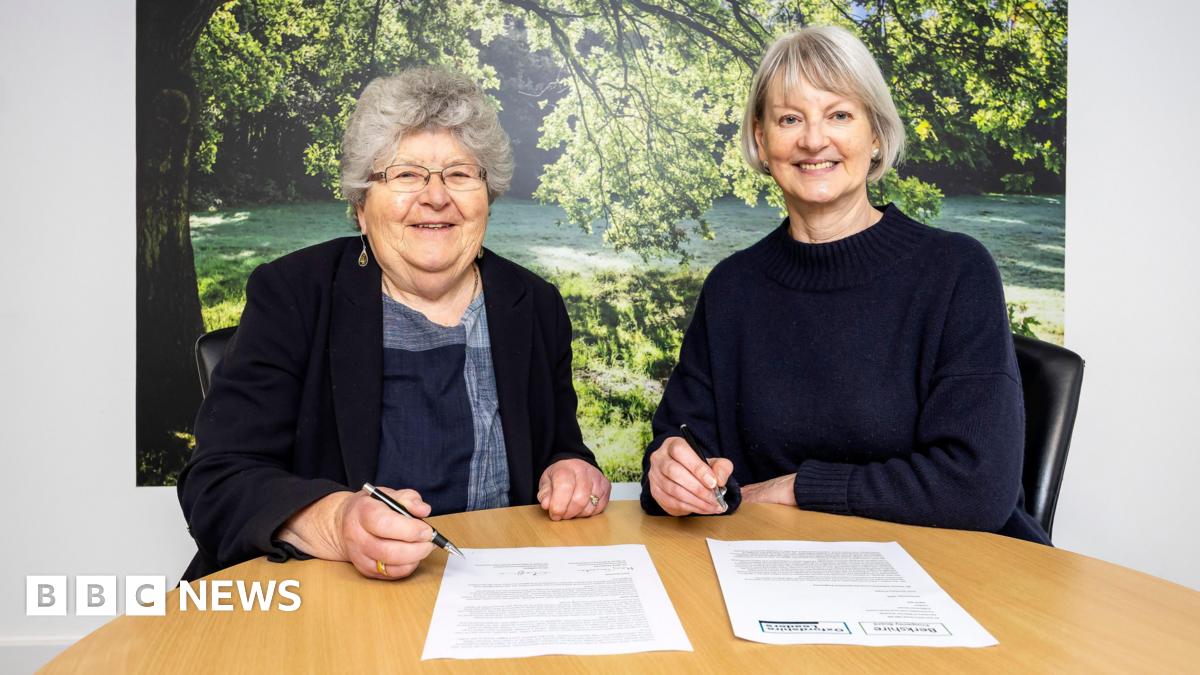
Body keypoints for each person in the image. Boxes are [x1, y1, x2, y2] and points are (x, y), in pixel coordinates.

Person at [179, 66, 611, 581]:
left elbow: (558, 445)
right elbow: (218, 481)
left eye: (459, 173)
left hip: (489, 589)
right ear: (362, 206)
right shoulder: (293, 294)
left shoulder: (533, 304)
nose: (436, 197)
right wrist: (337, 522)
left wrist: (574, 471)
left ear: (487, 197)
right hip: (322, 599)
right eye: (406, 175)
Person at [641, 26, 1048, 544]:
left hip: (955, 574)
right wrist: (669, 474)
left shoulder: (955, 272)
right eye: (790, 119)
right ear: (762, 141)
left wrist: (798, 488)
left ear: (875, 134)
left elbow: (976, 488)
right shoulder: (732, 288)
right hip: (779, 571)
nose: (814, 140)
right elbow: (683, 447)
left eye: (839, 115)